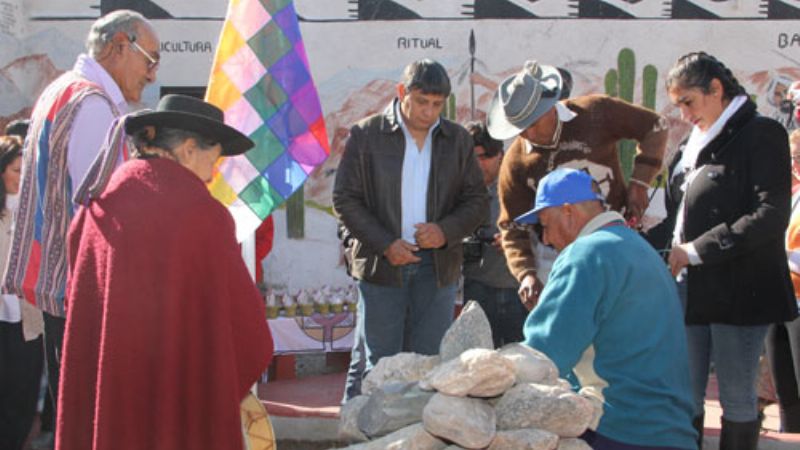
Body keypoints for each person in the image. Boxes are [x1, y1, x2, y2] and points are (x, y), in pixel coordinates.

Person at [56, 95, 274, 450]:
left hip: (113, 393)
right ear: (188, 149)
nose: (212, 173)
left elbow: (78, 311)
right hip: (179, 397)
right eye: (213, 159)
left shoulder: (98, 204)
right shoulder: (203, 216)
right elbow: (248, 336)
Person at [1, 10, 159, 443]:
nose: (152, 74)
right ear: (119, 47)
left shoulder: (62, 90)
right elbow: (102, 210)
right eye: (150, 60)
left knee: (73, 419)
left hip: (59, 286)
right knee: (92, 424)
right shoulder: (92, 104)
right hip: (82, 292)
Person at [663, 52, 796, 449]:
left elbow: (770, 215)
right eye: (678, 105)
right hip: (689, 286)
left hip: (741, 288)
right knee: (684, 393)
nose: (684, 114)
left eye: (689, 102)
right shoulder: (692, 143)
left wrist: (697, 250)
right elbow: (678, 213)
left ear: (716, 89)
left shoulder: (761, 134)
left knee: (736, 396)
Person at [333, 59, 487, 400]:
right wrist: (386, 243)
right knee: (380, 367)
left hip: (437, 267)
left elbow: (477, 200)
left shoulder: (457, 140)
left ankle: (417, 429)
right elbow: (344, 198)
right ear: (402, 92)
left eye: (437, 104)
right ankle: (371, 428)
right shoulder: (367, 134)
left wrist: (445, 231)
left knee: (429, 365)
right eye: (421, 102)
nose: (428, 112)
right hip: (381, 266)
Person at [519, 168, 696, 450]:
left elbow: (544, 355)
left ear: (568, 212)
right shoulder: (642, 249)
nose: (547, 239)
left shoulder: (585, 254)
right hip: (673, 430)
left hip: (619, 428)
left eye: (545, 225)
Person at [487, 60, 668, 309]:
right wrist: (526, 273)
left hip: (615, 241)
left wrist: (639, 182)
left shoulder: (595, 112)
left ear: (550, 107)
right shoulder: (516, 161)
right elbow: (511, 226)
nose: (528, 135)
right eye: (520, 129)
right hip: (557, 257)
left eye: (532, 124)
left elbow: (656, 127)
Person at [461, 121, 525, 347]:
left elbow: (545, 234)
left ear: (501, 155)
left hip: (517, 290)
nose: (479, 164)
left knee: (519, 360)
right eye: (473, 158)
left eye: (485, 157)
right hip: (476, 287)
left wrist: (514, 240)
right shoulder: (458, 192)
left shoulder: (520, 189)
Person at [0, 136, 43, 450]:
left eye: (27, 170)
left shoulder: (37, 212)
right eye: (17, 170)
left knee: (23, 392)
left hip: (28, 320)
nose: (23, 177)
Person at [765, 128, 800, 432]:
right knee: (785, 388)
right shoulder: (792, 197)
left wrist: (782, 256)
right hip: (780, 297)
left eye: (796, 157)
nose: (793, 164)